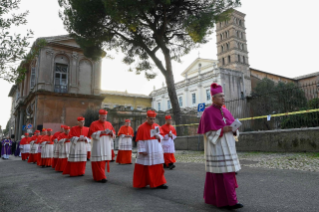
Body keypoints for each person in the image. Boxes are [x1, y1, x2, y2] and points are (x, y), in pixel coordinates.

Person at [197, 83, 243, 210]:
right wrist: (223, 130)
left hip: (228, 146)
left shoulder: (226, 111)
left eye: (223, 96)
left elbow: (233, 128)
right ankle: (229, 201)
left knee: (227, 174)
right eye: (220, 96)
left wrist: (234, 130)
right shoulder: (207, 112)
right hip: (217, 148)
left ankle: (223, 200)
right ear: (213, 98)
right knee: (220, 176)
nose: (223, 98)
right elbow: (208, 133)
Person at [133, 110, 168, 189]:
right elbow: (140, 140)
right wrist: (142, 150)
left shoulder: (157, 126)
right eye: (151, 119)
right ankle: (143, 183)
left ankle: (159, 183)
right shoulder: (141, 127)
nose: (152, 121)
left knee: (158, 166)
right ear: (147, 118)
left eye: (153, 119)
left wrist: (158, 136)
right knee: (145, 166)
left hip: (156, 148)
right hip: (147, 148)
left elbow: (162, 135)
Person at [88, 109, 115, 183]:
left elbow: (114, 134)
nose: (104, 118)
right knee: (98, 161)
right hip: (98, 144)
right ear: (99, 116)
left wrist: (111, 132)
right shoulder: (94, 123)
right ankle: (101, 177)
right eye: (102, 116)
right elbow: (92, 134)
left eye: (105, 116)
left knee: (103, 161)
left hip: (106, 144)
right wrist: (102, 132)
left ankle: (101, 176)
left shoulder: (109, 124)